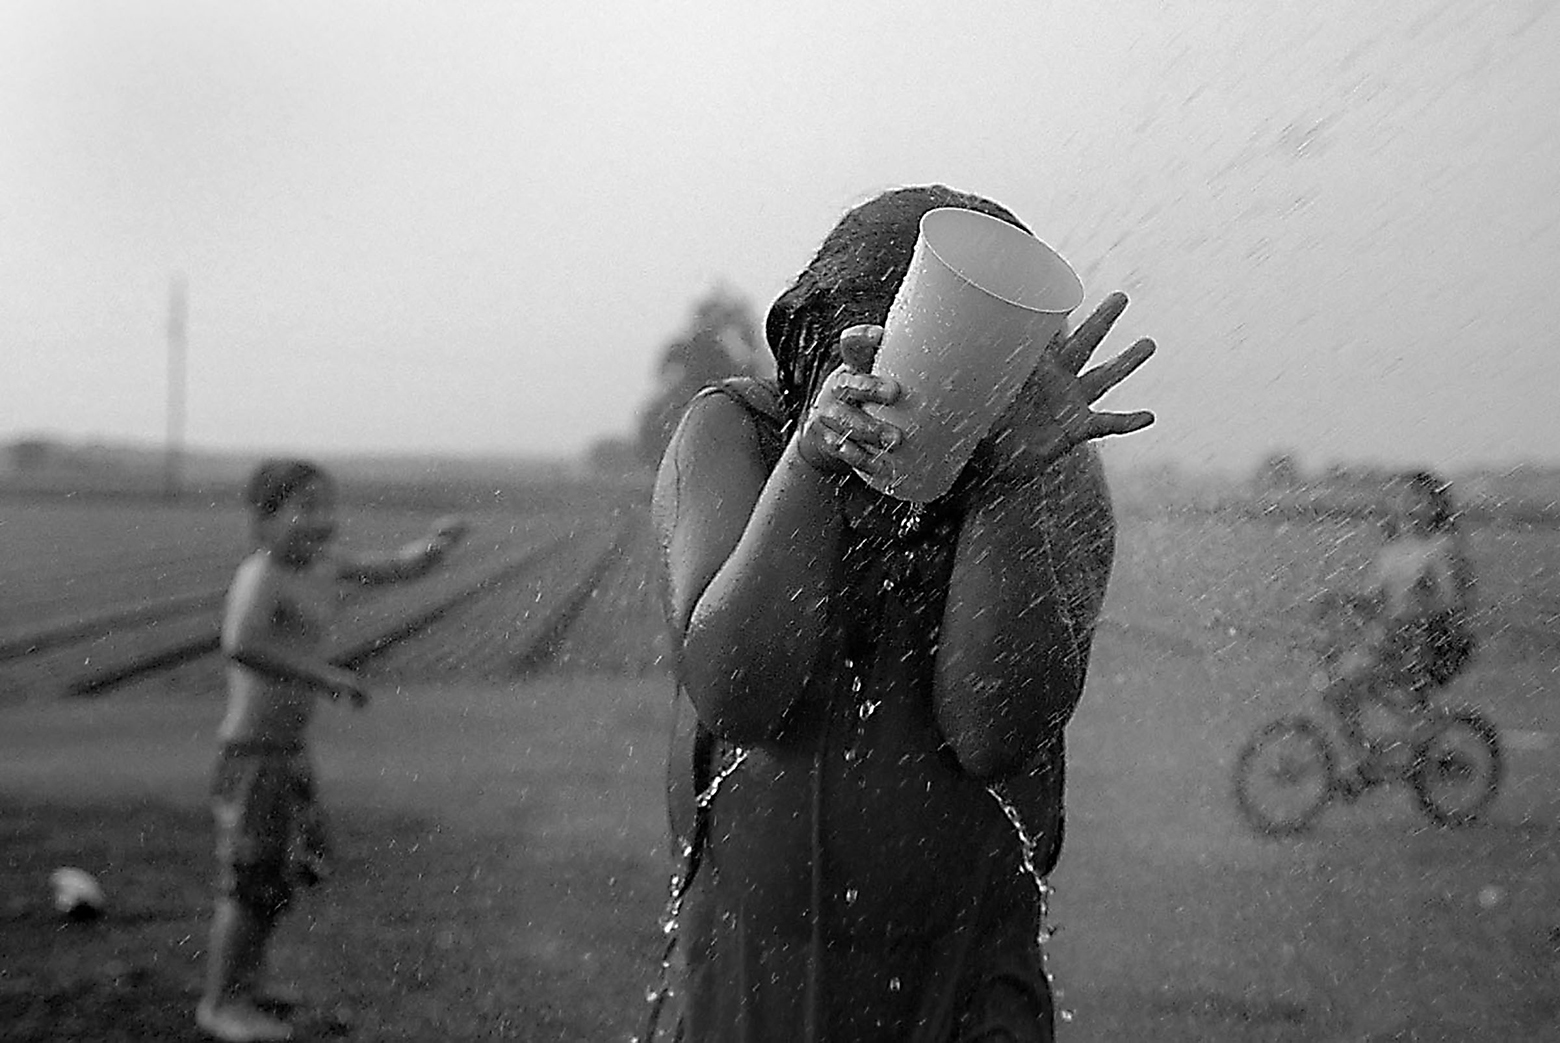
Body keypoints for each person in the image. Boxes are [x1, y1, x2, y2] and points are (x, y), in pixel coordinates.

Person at [649, 185, 1156, 1042]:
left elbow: (995, 729)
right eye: (881, 359)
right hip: (751, 968)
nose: (914, 395)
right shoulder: (740, 433)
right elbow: (738, 694)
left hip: (965, 974)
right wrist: (811, 463)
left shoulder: (1046, 456)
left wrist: (1003, 485)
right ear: (820, 347)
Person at [197, 459, 467, 1042]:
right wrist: (326, 677)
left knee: (274, 880)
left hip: (288, 751)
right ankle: (221, 1003)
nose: (321, 519)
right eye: (304, 506)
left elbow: (392, 567)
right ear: (265, 519)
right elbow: (241, 644)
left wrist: (433, 547)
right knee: (246, 885)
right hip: (253, 754)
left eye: (326, 505)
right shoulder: (262, 576)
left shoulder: (322, 564)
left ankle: (253, 982)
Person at [1323, 470, 1477, 781]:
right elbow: (1373, 599)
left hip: (1428, 644)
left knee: (1346, 684)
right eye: (1405, 497)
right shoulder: (1392, 550)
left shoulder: (1442, 548)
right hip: (1395, 642)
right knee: (1338, 686)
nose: (1408, 504)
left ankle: (1370, 760)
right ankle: (1374, 754)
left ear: (1436, 506)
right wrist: (1341, 603)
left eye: (1418, 498)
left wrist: (1417, 609)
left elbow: (1453, 601)